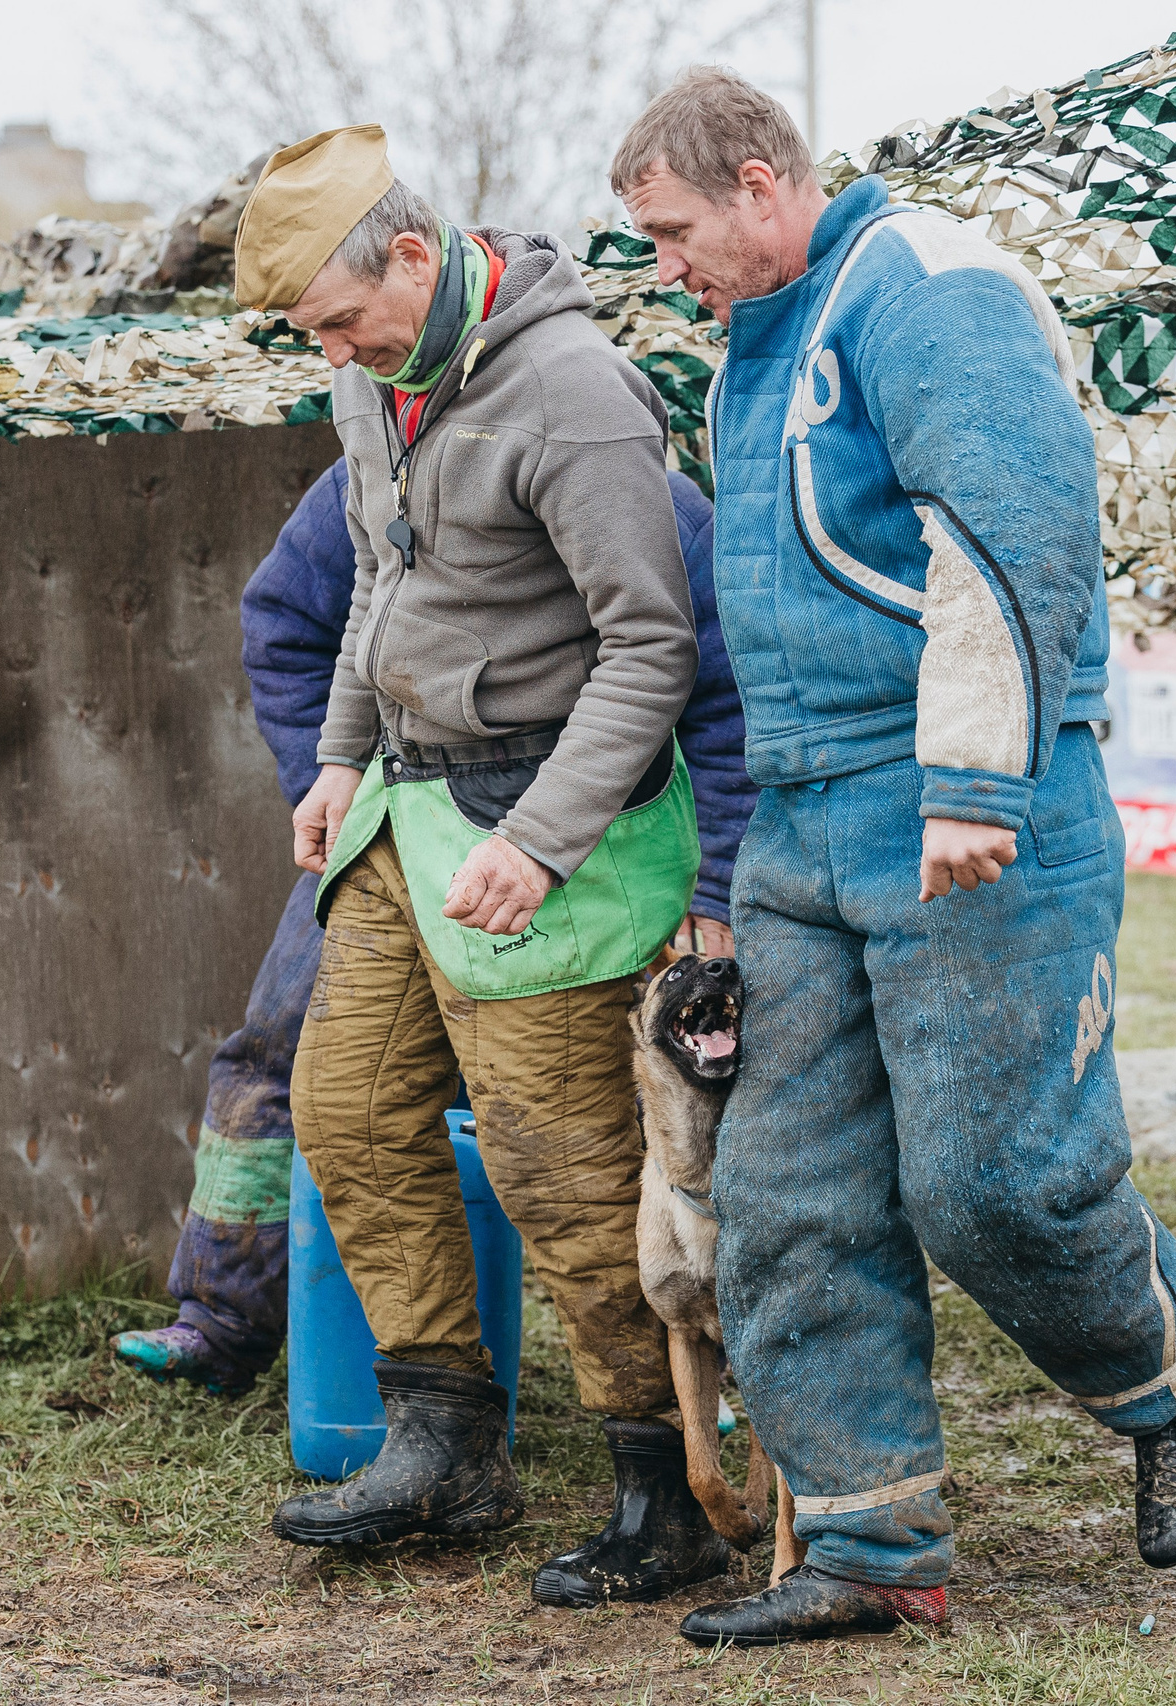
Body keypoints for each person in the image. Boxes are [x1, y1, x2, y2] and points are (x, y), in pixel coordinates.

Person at [610, 69, 1176, 1646]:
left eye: (677, 231)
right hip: (808, 818)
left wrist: (973, 778)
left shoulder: (928, 287)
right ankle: (872, 1543)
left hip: (966, 805)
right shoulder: (757, 340)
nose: (666, 266)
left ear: (760, 185)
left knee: (992, 1182)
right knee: (786, 1186)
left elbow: (1010, 528)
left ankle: (1162, 1371)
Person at [226, 123, 732, 1609]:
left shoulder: (573, 395)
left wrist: (540, 838)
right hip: (407, 807)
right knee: (346, 1104)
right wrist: (333, 754)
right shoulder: (372, 378)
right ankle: (444, 1438)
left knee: (564, 1171)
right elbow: (383, 582)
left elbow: (656, 648)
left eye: (338, 316)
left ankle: (665, 1490)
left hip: (555, 831)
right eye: (313, 334)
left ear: (415, 253)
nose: (331, 351)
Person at [110, 460, 753, 1396]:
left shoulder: (634, 492)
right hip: (396, 830)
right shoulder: (374, 467)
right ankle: (222, 1317)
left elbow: (721, 690)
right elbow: (286, 623)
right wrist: (336, 788)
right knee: (284, 1062)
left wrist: (716, 884)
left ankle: (687, 1385)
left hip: (596, 859)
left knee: (609, 1121)